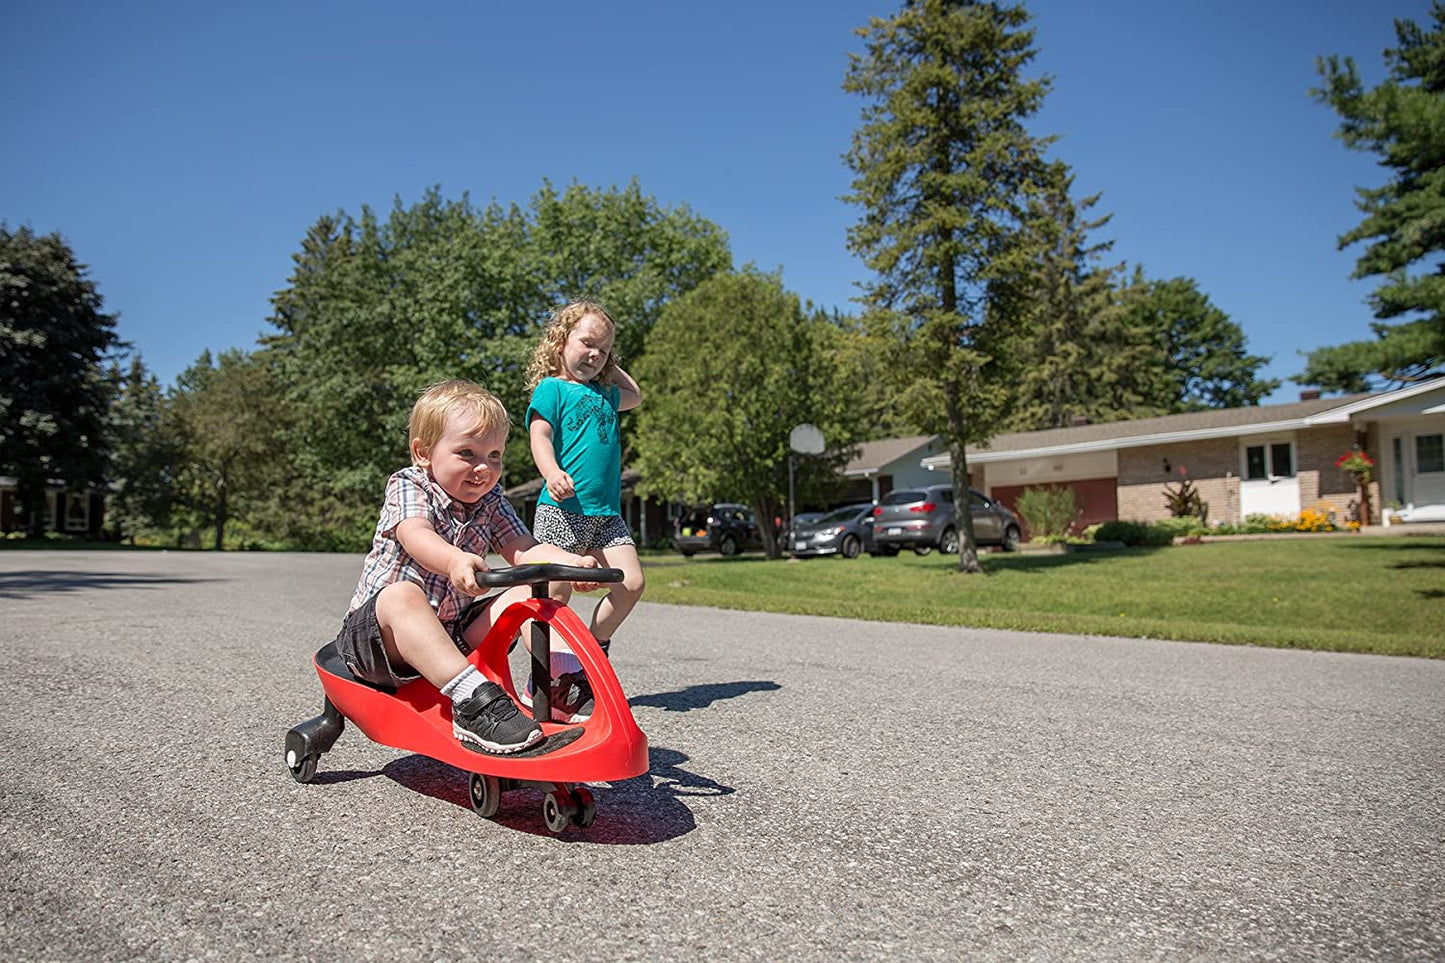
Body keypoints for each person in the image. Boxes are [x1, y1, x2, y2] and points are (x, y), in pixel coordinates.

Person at [333, 379, 601, 754]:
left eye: (494, 456)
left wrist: (571, 563)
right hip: (379, 644)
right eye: (467, 453)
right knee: (402, 596)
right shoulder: (409, 485)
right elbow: (415, 534)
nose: (484, 468)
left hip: (453, 633)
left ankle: (556, 683)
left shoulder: (490, 498)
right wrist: (454, 559)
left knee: (545, 584)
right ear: (423, 453)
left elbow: (523, 549)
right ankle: (474, 703)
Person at [524, 300, 644, 723]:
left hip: (606, 515)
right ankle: (549, 677)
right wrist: (551, 469)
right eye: (587, 343)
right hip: (562, 510)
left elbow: (637, 395)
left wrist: (609, 365)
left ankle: (589, 654)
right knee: (555, 596)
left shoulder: (608, 394)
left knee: (630, 584)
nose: (595, 354)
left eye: (605, 349)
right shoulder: (552, 389)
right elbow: (540, 435)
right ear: (561, 341)